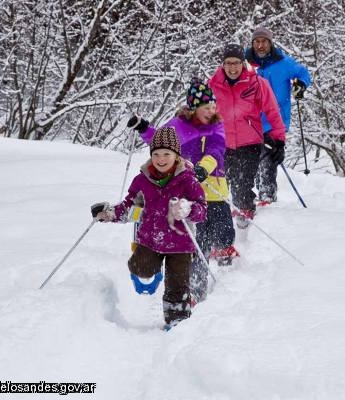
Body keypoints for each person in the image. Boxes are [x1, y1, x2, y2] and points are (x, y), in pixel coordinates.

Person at [127, 78, 238, 304]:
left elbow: (217, 152)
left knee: (225, 231)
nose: (211, 110)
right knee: (199, 243)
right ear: (194, 107)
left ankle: (224, 252)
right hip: (189, 196)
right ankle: (194, 291)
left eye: (213, 106)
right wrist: (143, 128)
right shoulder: (178, 125)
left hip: (214, 190)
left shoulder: (216, 125)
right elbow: (160, 141)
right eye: (206, 107)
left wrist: (203, 169)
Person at [91, 126, 207, 328]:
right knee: (139, 267)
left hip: (181, 244)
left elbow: (202, 210)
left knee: (178, 287)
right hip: (150, 239)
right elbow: (130, 207)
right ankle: (153, 268)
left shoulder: (188, 181)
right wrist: (110, 214)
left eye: (166, 154)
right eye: (156, 154)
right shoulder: (142, 181)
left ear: (176, 155)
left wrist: (189, 209)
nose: (161, 159)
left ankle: (177, 322)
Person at [208, 43, 286, 228]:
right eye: (228, 63)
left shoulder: (257, 83)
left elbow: (273, 112)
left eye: (236, 63)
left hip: (249, 143)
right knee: (222, 184)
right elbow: (201, 113)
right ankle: (222, 223)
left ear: (243, 63)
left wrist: (279, 141)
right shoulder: (213, 85)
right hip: (222, 144)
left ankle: (245, 213)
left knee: (242, 183)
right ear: (222, 65)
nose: (232, 68)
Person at [246, 27, 312, 205]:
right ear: (252, 44)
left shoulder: (284, 63)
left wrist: (301, 84)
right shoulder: (245, 64)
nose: (260, 45)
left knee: (268, 159)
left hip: (275, 121)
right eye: (257, 42)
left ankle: (267, 198)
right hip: (250, 122)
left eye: (264, 41)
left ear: (270, 43)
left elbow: (304, 73)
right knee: (251, 161)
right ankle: (251, 200)